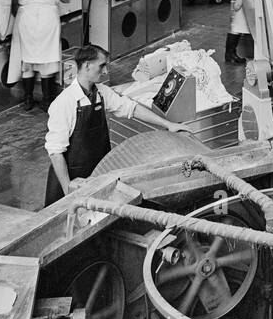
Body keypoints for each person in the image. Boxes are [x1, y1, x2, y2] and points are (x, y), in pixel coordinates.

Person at [43, 44, 189, 204]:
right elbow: (56, 152)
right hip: (71, 179)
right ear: (86, 65)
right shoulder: (64, 103)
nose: (105, 71)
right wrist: (68, 191)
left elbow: (131, 108)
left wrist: (168, 124)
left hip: (98, 171)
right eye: (102, 65)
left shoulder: (101, 92)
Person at [13, 0, 72, 112]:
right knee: (48, 58)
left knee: (28, 59)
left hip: (27, 19)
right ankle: (46, 101)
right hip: (48, 20)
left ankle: (28, 100)